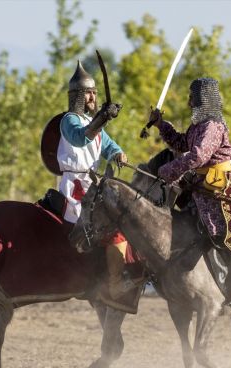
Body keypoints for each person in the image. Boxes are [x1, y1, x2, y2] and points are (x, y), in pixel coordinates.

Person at [149, 77, 231, 298]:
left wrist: (168, 170)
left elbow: (198, 156)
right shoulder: (198, 126)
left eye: (191, 97)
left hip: (222, 185)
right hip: (201, 185)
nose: (189, 102)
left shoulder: (213, 127)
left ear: (202, 99)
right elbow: (180, 143)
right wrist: (161, 125)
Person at [57, 61, 135, 311]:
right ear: (78, 97)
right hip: (75, 185)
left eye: (94, 92)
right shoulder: (69, 120)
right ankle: (109, 281)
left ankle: (113, 279)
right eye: (88, 92)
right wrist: (101, 118)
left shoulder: (95, 125)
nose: (93, 96)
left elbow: (107, 144)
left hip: (94, 183)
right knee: (98, 227)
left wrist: (118, 154)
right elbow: (81, 138)